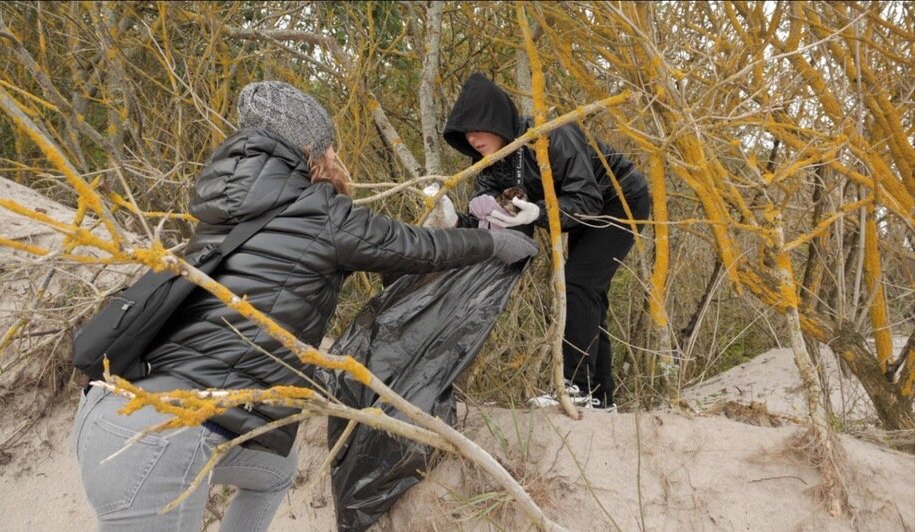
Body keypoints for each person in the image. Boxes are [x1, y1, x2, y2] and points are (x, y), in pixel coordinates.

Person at [71, 80, 537, 531]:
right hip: (161, 436)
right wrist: (489, 244)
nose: (335, 157)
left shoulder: (227, 207)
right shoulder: (316, 211)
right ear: (308, 149)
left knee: (276, 469)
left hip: (108, 414)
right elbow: (411, 246)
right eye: (328, 147)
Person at [443, 72, 650, 410]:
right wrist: (455, 221)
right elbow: (494, 227)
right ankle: (600, 398)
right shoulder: (491, 168)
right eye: (465, 132)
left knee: (578, 283)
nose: (472, 138)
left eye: (478, 127)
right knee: (588, 293)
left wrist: (537, 212)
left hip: (620, 199)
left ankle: (577, 389)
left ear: (496, 122)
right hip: (578, 213)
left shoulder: (552, 136)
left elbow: (587, 199)